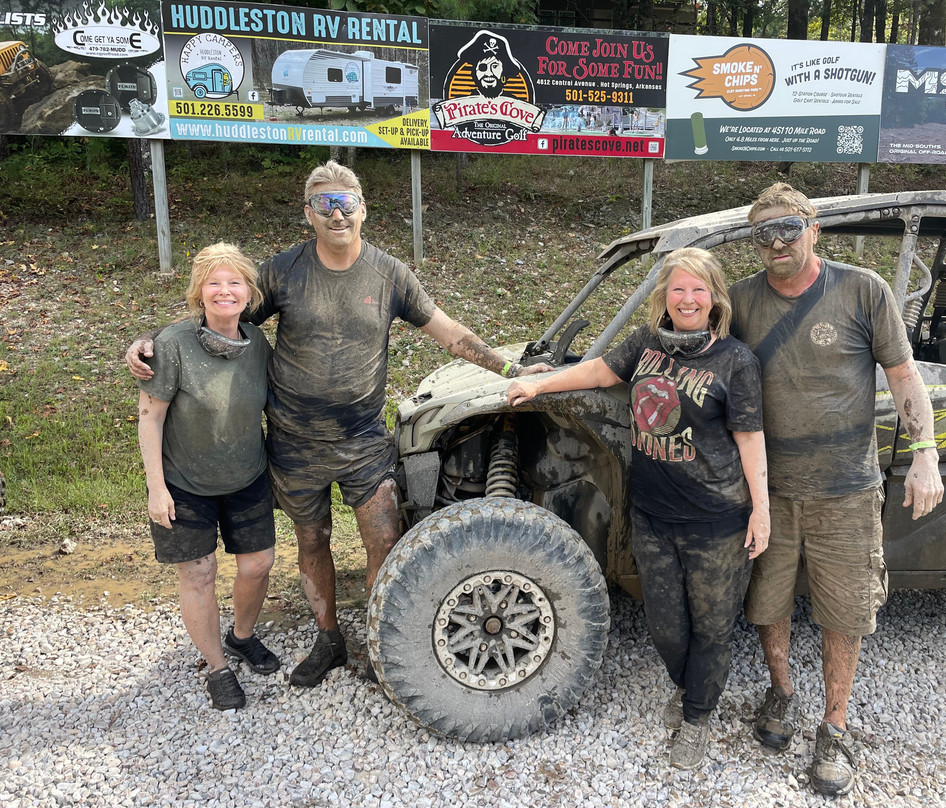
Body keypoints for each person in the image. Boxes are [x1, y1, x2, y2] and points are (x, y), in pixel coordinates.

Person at [127, 160, 550, 689]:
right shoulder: (283, 270)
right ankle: (328, 638)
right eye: (324, 205)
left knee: (384, 539)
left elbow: (448, 332)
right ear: (309, 214)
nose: (337, 214)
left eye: (345, 203)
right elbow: (222, 313)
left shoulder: (390, 273)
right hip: (295, 444)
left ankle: (378, 639)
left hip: (365, 442)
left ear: (363, 210)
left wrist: (511, 368)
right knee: (313, 541)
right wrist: (151, 341)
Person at [508, 247, 770, 770]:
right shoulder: (648, 344)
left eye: (698, 290)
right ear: (664, 298)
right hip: (651, 514)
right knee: (666, 626)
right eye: (678, 289)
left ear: (715, 298)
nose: (688, 299)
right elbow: (600, 373)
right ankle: (687, 687)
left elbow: (750, 438)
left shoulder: (735, 361)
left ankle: (696, 717)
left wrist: (760, 511)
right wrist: (537, 382)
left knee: (713, 627)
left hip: (716, 520)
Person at [730, 183, 944, 796]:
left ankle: (835, 726)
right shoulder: (740, 301)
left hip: (846, 488)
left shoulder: (863, 290)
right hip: (768, 489)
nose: (776, 243)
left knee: (843, 608)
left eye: (787, 229)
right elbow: (691, 345)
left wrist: (925, 452)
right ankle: (782, 690)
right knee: (767, 601)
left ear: (812, 229)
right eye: (763, 233)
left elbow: (904, 377)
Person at [136, 243, 278, 711]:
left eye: (234, 282)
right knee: (199, 574)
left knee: (257, 565)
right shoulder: (172, 345)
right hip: (184, 485)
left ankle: (241, 636)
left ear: (248, 292)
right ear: (199, 292)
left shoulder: (257, 343)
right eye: (214, 282)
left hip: (247, 477)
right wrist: (156, 488)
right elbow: (150, 417)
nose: (224, 291)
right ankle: (217, 667)